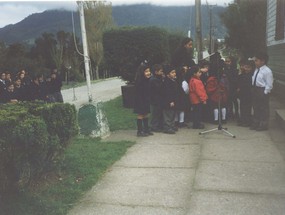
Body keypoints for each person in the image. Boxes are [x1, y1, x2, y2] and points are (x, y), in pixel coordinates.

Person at [250, 52, 273, 131]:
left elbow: (269, 84)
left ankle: (263, 124)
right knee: (256, 107)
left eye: (256, 60)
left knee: (263, 108)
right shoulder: (257, 69)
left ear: (262, 61)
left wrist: (265, 92)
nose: (255, 62)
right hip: (255, 89)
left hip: (262, 90)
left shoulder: (267, 71)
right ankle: (256, 122)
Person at [133, 62, 153, 137]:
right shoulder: (139, 81)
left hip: (146, 99)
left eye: (149, 71)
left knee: (146, 114)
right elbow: (139, 92)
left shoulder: (147, 80)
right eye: (146, 71)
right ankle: (140, 131)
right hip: (140, 100)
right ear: (142, 72)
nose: (148, 73)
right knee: (141, 114)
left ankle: (146, 129)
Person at [237, 59, 255, 127]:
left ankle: (247, 121)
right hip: (242, 94)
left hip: (248, 94)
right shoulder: (243, 74)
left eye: (248, 67)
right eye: (245, 67)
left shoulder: (252, 75)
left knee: (247, 108)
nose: (246, 69)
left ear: (252, 68)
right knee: (242, 107)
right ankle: (243, 120)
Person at [162, 65, 179, 134]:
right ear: (168, 75)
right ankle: (167, 127)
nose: (174, 74)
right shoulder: (166, 82)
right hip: (168, 102)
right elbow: (167, 93)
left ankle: (171, 125)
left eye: (174, 72)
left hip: (174, 100)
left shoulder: (173, 81)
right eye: (172, 72)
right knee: (168, 115)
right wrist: (170, 101)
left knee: (173, 114)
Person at [149, 64, 164, 132]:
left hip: (158, 99)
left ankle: (158, 125)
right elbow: (159, 88)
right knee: (155, 113)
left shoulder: (158, 78)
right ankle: (154, 126)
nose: (162, 73)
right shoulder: (154, 80)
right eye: (160, 71)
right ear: (156, 72)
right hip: (155, 100)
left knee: (158, 113)